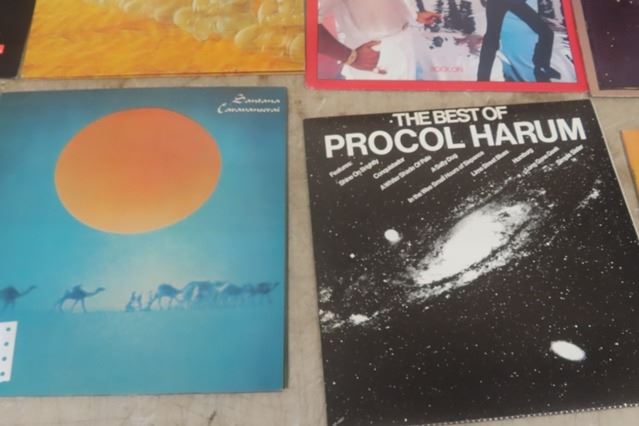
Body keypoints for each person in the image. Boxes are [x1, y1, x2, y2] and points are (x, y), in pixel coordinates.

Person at [318, 0, 440, 79]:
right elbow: (308, 23)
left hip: (405, 44)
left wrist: (413, 14)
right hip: (372, 56)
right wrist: (349, 56)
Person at [477, 0, 560, 82]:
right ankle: (482, 79)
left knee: (546, 33)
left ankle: (542, 67)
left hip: (516, 2)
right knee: (491, 39)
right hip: (497, 2)